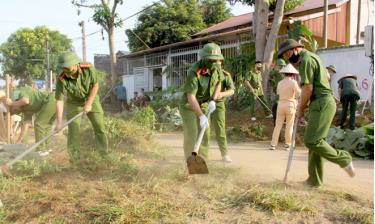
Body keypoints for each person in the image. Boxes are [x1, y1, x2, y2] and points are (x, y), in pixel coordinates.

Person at [278, 39, 355, 188]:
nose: (288, 58)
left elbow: (308, 88)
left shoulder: (306, 60)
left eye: (287, 54)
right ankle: (314, 180)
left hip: (321, 102)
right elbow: (326, 76)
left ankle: (344, 159)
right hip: (321, 102)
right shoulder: (314, 57)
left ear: (295, 49)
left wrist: (300, 109)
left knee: (312, 141)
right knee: (316, 141)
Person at [55, 52, 108, 164]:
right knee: (73, 130)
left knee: (99, 127)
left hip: (91, 99)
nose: (65, 69)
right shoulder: (61, 77)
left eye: (67, 66)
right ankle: (75, 160)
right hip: (74, 102)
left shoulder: (88, 68)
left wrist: (88, 103)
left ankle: (103, 155)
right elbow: (59, 100)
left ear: (75, 63)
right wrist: (58, 122)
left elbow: (95, 85)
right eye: (63, 67)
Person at [179, 42, 224, 161]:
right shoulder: (194, 72)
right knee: (192, 133)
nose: (214, 63)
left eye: (216, 60)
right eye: (210, 60)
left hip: (204, 104)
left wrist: (213, 99)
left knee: (205, 134)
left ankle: (202, 162)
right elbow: (191, 97)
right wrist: (201, 116)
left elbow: (219, 82)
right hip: (189, 106)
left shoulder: (217, 67)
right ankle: (191, 163)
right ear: (203, 58)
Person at [269, 64, 301, 151]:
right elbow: (298, 94)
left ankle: (273, 144)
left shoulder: (280, 83)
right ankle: (287, 144)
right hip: (290, 105)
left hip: (280, 105)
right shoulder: (293, 82)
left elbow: (278, 93)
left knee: (278, 125)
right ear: (293, 74)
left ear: (284, 74)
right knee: (289, 126)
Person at [210, 69, 235, 162]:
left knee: (220, 129)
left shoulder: (225, 75)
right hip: (204, 103)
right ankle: (201, 153)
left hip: (218, 104)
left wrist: (221, 94)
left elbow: (232, 91)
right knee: (202, 128)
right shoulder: (203, 73)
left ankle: (224, 154)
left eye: (218, 60)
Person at [269, 58, 287, 126]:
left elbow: (270, 76)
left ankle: (277, 120)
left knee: (275, 106)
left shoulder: (277, 71)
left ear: (278, 65)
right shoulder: (287, 72)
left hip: (279, 91)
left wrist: (272, 68)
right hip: (287, 92)